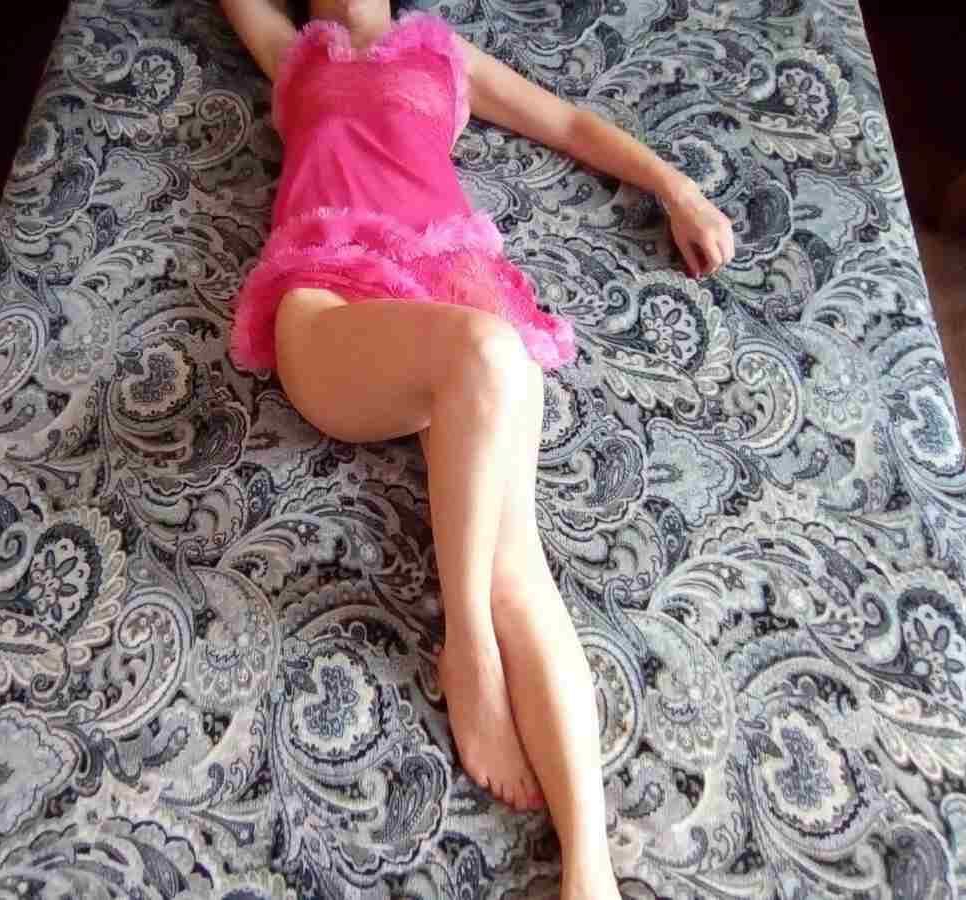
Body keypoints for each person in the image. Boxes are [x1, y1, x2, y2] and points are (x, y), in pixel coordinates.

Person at [220, 1, 736, 897]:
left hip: (456, 292)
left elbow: (568, 123)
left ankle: (590, 869)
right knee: (489, 355)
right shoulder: (291, 53)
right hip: (328, 294)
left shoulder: (442, 54)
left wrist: (676, 189)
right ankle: (467, 648)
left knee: (517, 567)